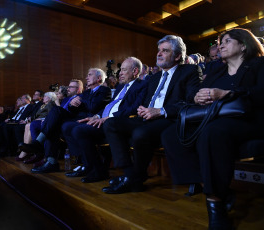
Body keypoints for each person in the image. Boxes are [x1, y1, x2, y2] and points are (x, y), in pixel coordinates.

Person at [161, 28, 264, 230]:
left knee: (212, 133)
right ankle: (211, 186)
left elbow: (262, 94)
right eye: (220, 42)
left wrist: (228, 93)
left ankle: (215, 202)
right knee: (171, 134)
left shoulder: (260, 65)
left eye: (227, 41)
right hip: (214, 118)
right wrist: (197, 97)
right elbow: (197, 93)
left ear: (243, 45)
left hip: (250, 119)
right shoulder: (217, 69)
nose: (220, 46)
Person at [101, 35, 201, 194]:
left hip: (169, 118)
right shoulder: (153, 78)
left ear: (177, 56)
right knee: (111, 123)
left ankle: (135, 179)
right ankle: (130, 175)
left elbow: (191, 101)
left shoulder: (189, 71)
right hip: (146, 118)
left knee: (140, 133)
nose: (159, 54)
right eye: (159, 50)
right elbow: (146, 102)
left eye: (165, 51)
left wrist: (161, 111)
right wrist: (143, 109)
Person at [62, 57, 148, 183]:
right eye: (121, 70)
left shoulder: (142, 85)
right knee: (69, 126)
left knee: (79, 130)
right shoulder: (120, 87)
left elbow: (134, 108)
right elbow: (110, 106)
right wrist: (96, 116)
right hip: (104, 119)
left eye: (124, 70)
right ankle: (89, 166)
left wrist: (109, 118)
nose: (120, 73)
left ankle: (98, 170)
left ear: (135, 71)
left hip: (117, 122)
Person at [20, 69, 112, 173]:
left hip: (89, 119)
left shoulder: (104, 90)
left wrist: (80, 100)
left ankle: (45, 153)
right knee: (55, 112)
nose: (86, 77)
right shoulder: (86, 92)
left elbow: (93, 107)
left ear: (99, 78)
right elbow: (75, 108)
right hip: (76, 117)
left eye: (89, 75)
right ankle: (48, 158)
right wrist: (72, 104)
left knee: (55, 123)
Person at [16, 92, 57, 161]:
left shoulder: (51, 104)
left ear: (49, 98)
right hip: (37, 121)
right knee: (27, 126)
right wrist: (31, 118)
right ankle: (26, 150)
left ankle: (35, 149)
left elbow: (50, 115)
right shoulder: (43, 105)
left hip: (43, 122)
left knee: (30, 125)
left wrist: (41, 119)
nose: (43, 98)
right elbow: (37, 115)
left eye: (45, 97)